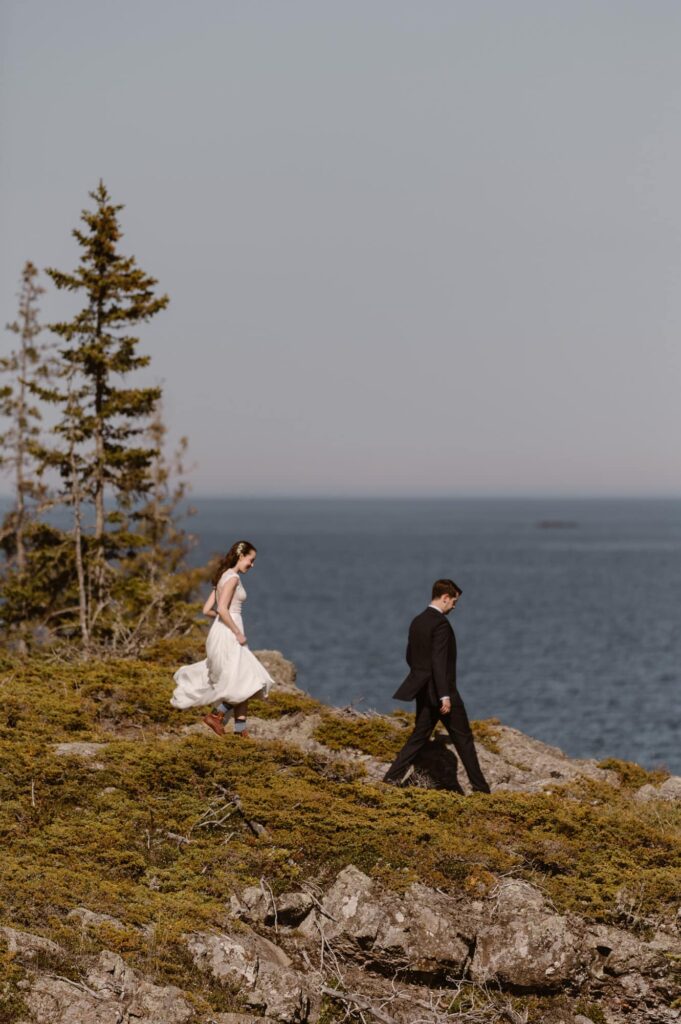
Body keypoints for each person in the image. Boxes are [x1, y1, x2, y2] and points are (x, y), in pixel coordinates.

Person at [383, 579, 490, 793]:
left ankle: (390, 779)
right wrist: (444, 695)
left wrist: (423, 678)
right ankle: (481, 790)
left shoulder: (417, 621)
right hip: (443, 692)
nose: (454, 606)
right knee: (464, 739)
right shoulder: (440, 624)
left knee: (418, 737)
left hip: (423, 690)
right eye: (454, 602)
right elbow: (439, 661)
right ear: (445, 598)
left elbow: (410, 656)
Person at [171, 540, 273, 737]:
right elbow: (223, 609)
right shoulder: (233, 578)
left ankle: (239, 733)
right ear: (241, 555)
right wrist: (236, 630)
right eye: (250, 560)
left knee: (241, 680)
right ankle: (217, 715)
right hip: (229, 632)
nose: (252, 565)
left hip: (220, 629)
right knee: (251, 681)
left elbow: (207, 610)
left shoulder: (221, 577)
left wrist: (223, 619)